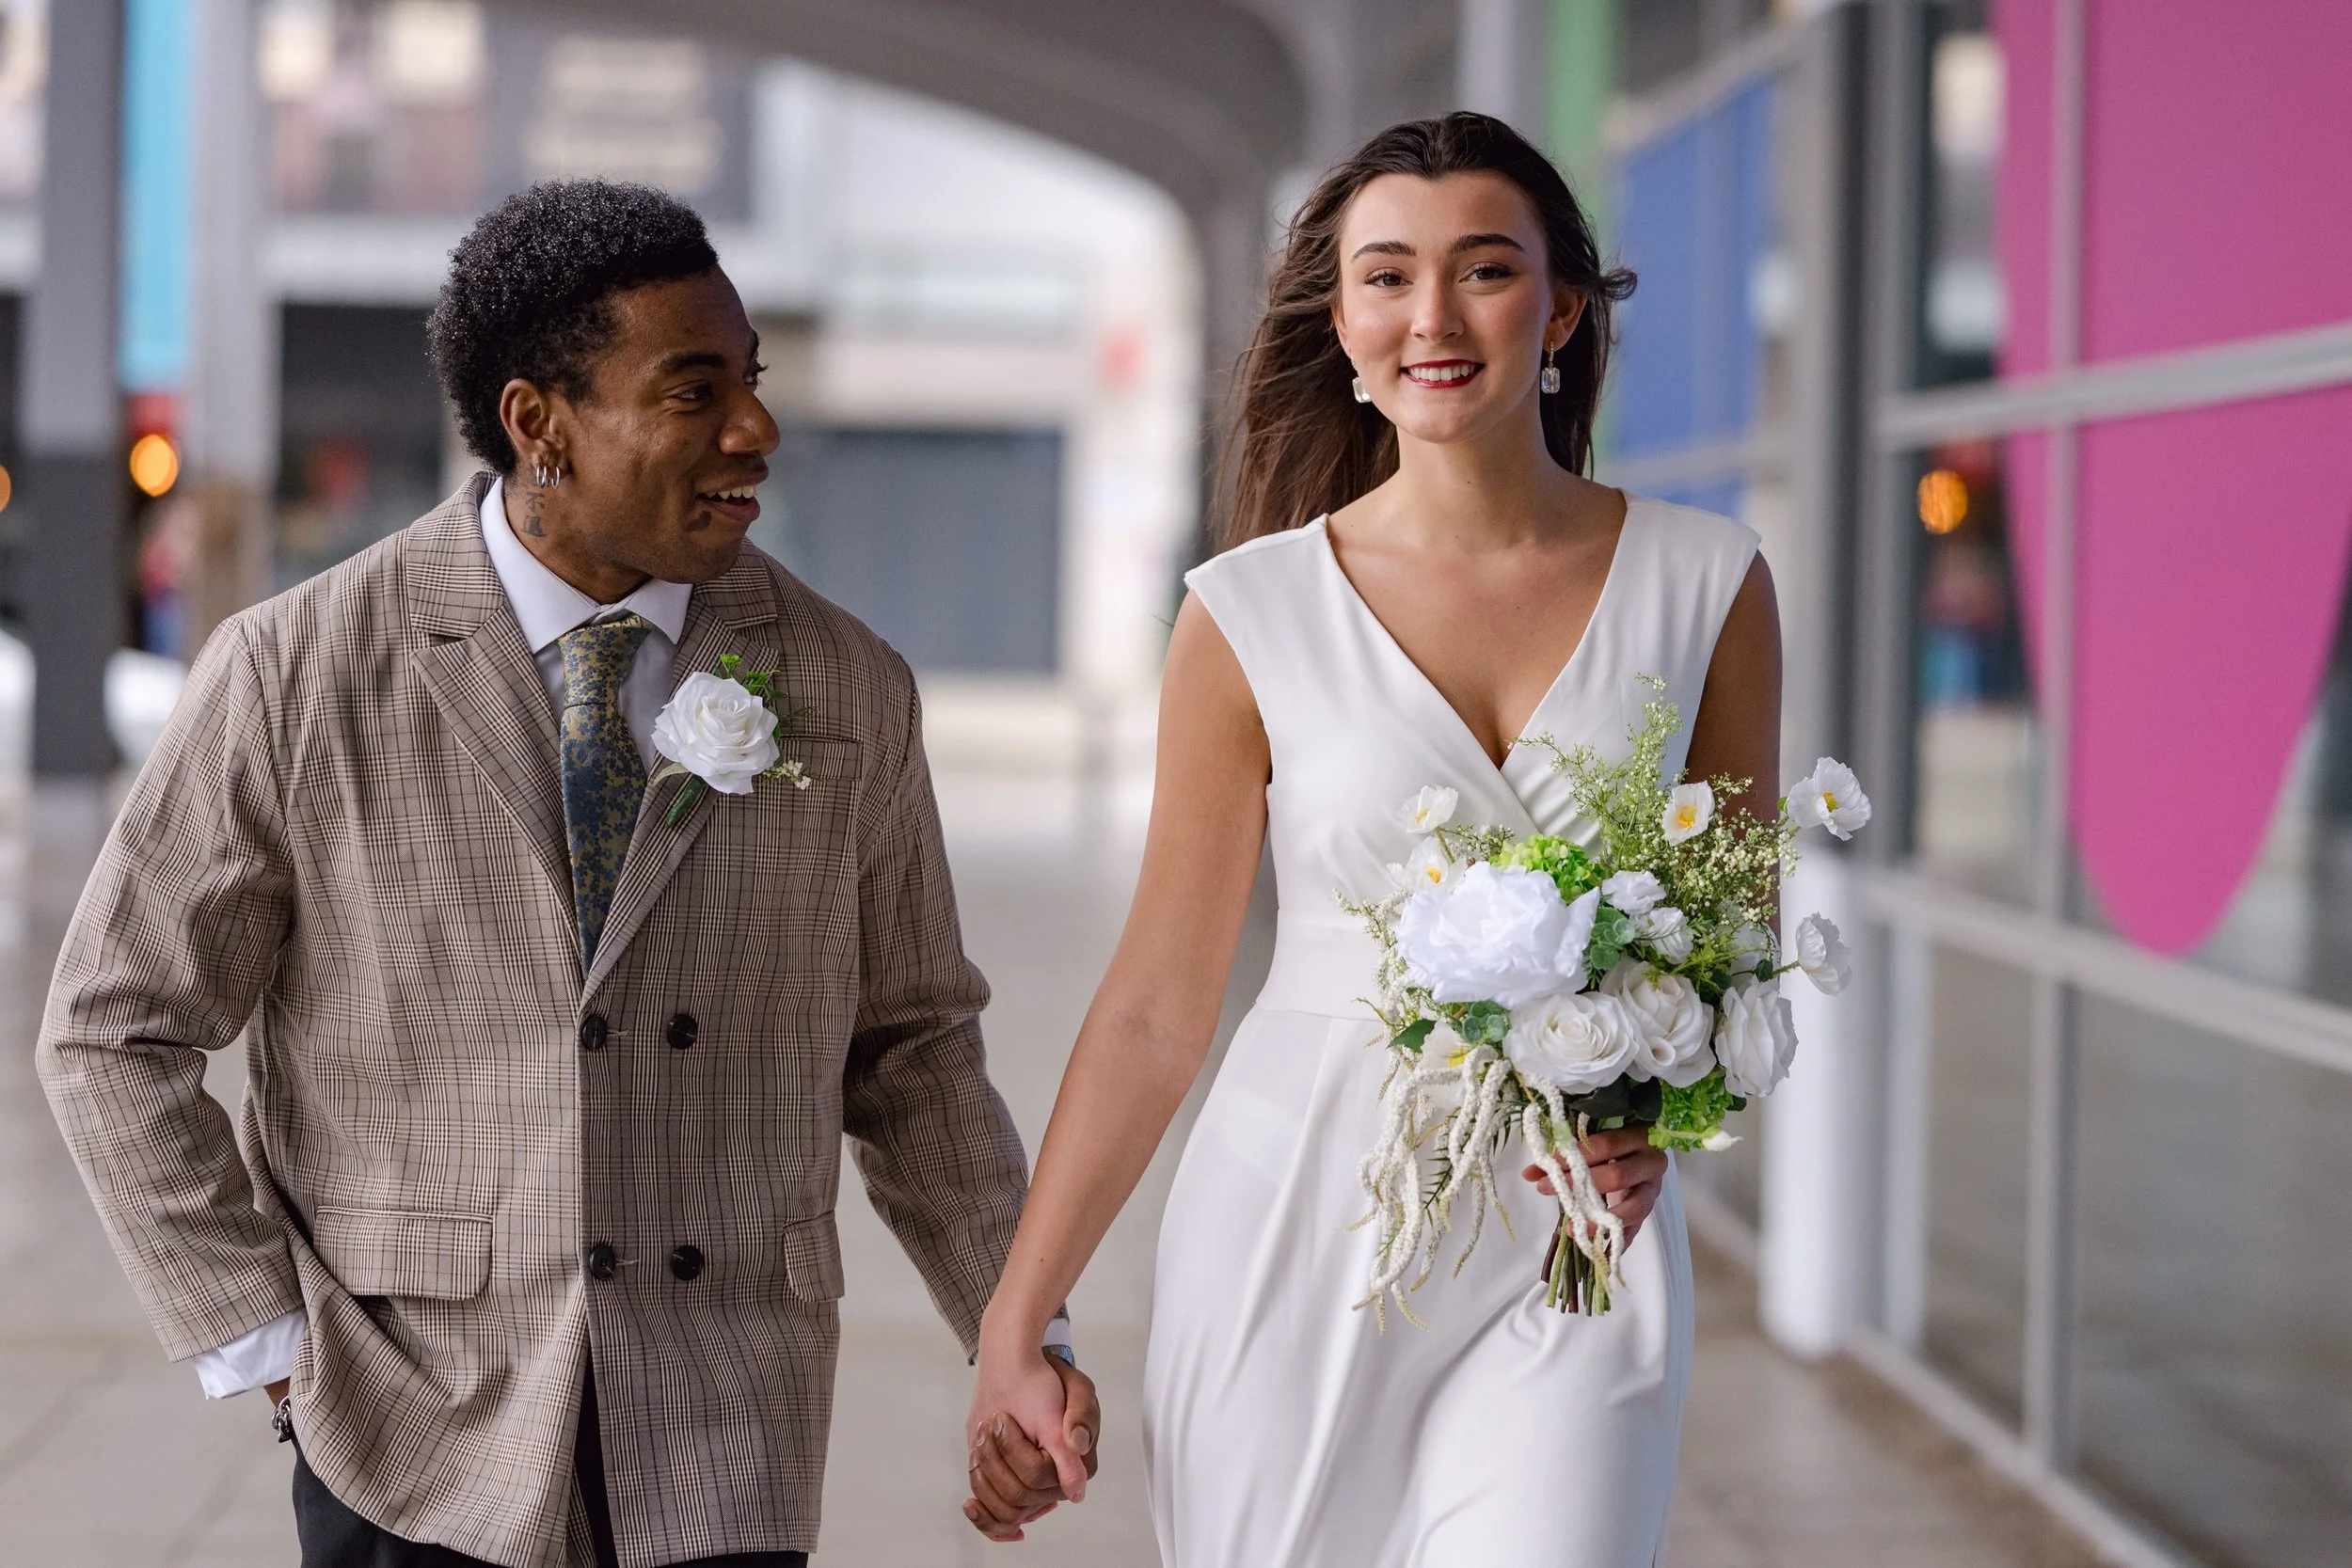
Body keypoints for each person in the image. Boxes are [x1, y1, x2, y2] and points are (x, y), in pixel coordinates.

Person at [39, 179, 1096, 1568]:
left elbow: (913, 1051)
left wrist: (1020, 1329)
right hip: (411, 1433)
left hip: (732, 1418)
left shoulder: (847, 685)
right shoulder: (296, 674)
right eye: (693, 388)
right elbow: (115, 1023)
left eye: (755, 381)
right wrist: (265, 1339)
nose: (755, 429)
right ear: (539, 422)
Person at [963, 113, 1781, 1564]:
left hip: (1572, 1242)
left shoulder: (1706, 579)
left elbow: (1739, 940)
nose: (1434, 317)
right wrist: (1019, 1320)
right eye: (1388, 277)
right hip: (1298, 1220)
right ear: (1343, 321)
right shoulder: (1248, 612)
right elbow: (1158, 1003)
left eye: (1484, 270)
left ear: (1562, 310)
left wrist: (1657, 1112)